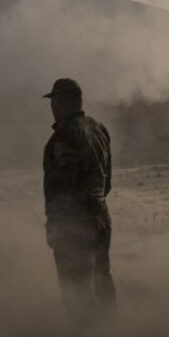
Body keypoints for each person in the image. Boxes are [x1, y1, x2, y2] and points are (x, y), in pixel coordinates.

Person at [40, 77, 115, 321]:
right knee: (102, 282)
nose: (52, 107)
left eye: (54, 100)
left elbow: (60, 190)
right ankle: (115, 332)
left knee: (76, 294)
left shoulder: (63, 138)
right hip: (100, 219)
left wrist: (56, 227)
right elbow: (107, 182)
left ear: (62, 101)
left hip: (75, 225)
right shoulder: (99, 129)